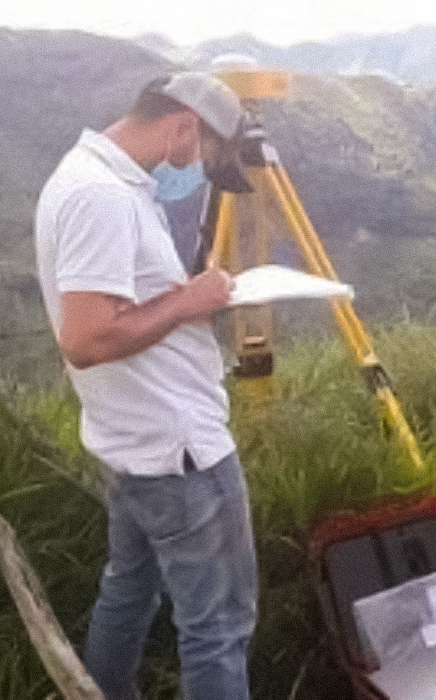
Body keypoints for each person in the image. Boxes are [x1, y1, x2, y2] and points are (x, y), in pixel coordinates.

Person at [33, 72, 257, 700]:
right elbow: (86, 339)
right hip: (177, 446)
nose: (203, 167)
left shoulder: (92, 178)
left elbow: (112, 310)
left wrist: (183, 299)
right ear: (185, 123)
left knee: (129, 591)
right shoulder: (102, 195)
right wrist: (190, 302)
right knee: (219, 626)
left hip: (132, 441)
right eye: (208, 152)